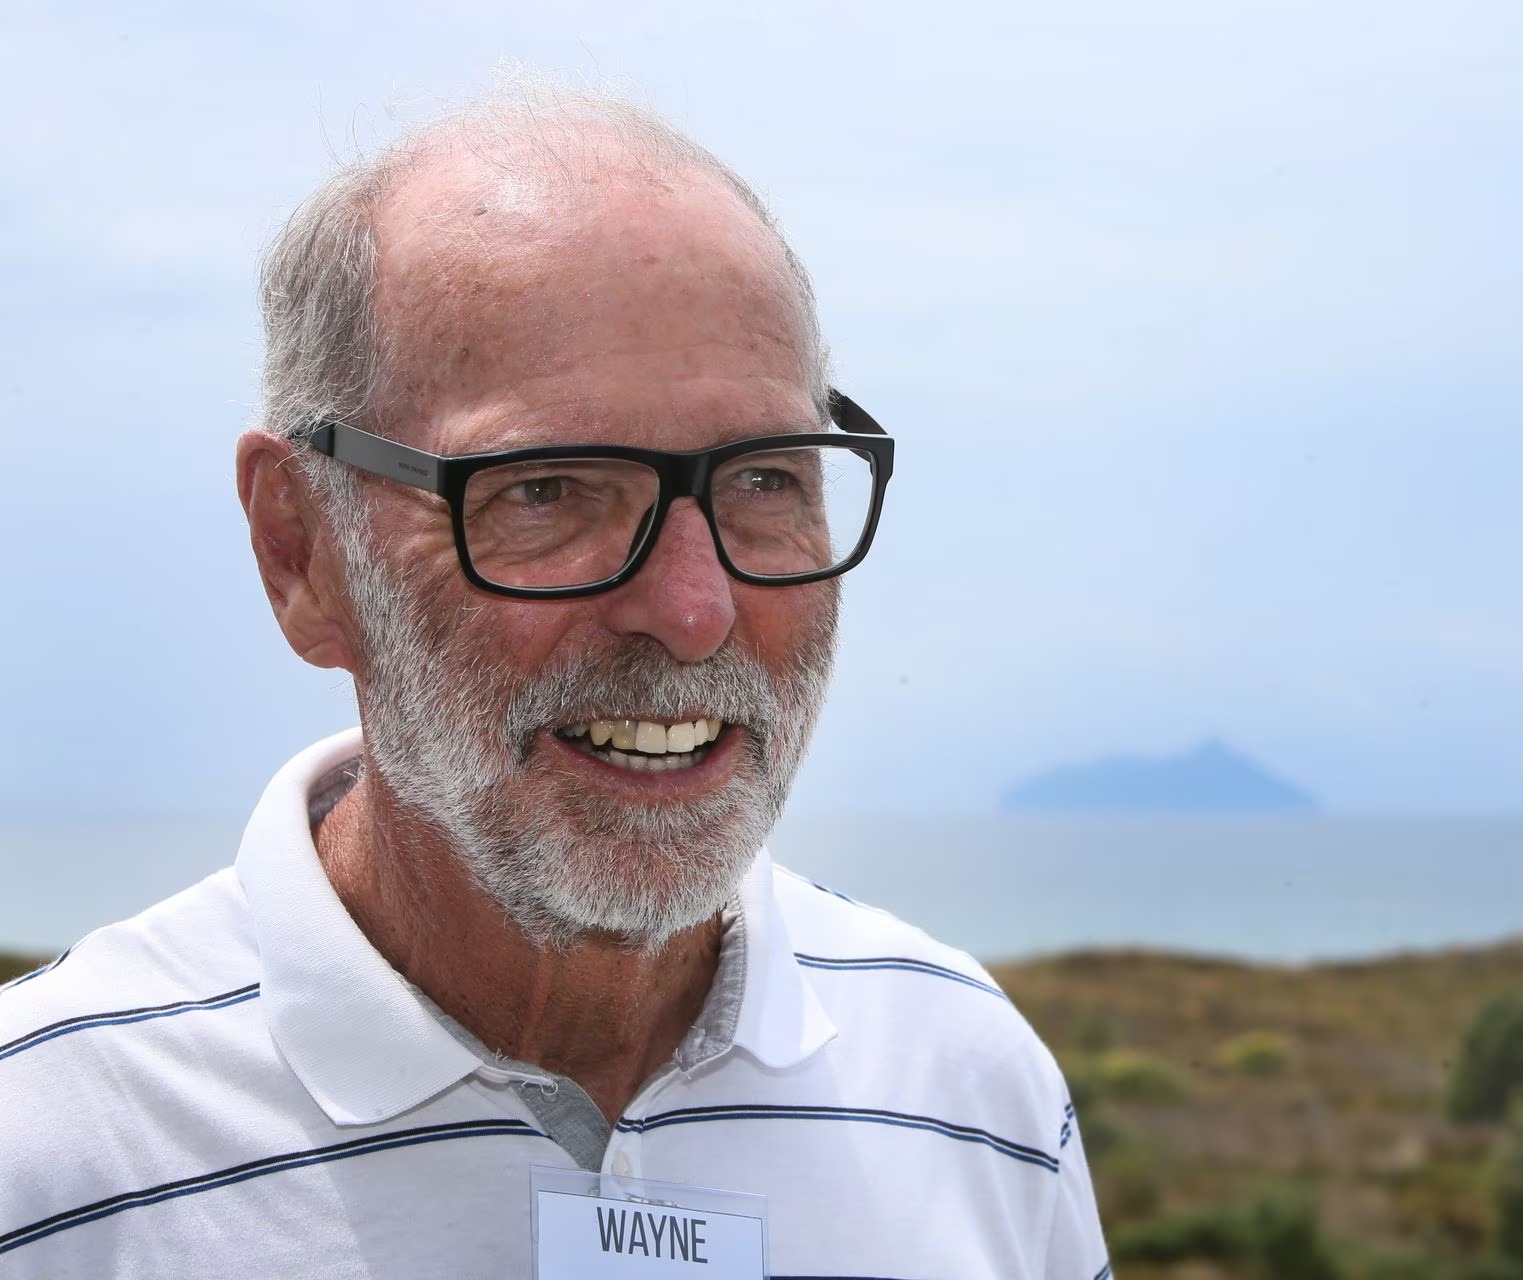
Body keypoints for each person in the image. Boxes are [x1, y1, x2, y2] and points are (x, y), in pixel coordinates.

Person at [0, 82, 1109, 1279]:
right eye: (547, 490)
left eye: (767, 480)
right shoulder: (52, 1155)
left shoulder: (969, 1087)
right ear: (301, 548)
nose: (691, 610)